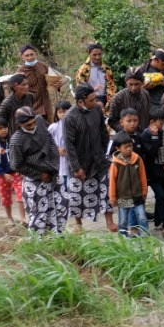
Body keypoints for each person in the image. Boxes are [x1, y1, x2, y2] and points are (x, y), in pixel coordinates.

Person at [64, 84, 113, 234]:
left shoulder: (97, 110)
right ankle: (78, 224)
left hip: (99, 158)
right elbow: (69, 145)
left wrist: (108, 152)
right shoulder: (70, 117)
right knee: (77, 195)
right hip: (80, 162)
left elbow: (103, 132)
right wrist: (76, 167)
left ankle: (110, 222)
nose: (94, 102)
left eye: (95, 98)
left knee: (105, 191)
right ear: (80, 102)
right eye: (91, 100)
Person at [9, 107, 63, 233]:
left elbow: (50, 141)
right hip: (34, 180)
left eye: (34, 122)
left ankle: (57, 236)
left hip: (53, 172)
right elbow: (16, 165)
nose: (33, 126)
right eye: (28, 125)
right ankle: (38, 243)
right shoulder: (16, 140)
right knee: (39, 212)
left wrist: (53, 163)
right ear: (19, 124)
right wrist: (39, 174)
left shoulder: (40, 122)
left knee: (60, 205)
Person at [108, 132, 149, 238]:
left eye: (130, 146)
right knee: (123, 220)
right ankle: (123, 238)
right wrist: (112, 197)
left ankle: (145, 237)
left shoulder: (137, 160)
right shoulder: (115, 164)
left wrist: (144, 191)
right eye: (126, 147)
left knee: (142, 217)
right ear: (118, 148)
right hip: (123, 197)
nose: (129, 149)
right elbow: (112, 181)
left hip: (137, 195)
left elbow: (142, 177)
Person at [142, 107, 164, 238]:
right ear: (152, 122)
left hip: (163, 170)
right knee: (160, 196)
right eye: (160, 122)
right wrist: (154, 137)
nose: (162, 125)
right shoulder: (146, 135)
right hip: (152, 172)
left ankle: (158, 221)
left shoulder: (163, 132)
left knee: (162, 196)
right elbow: (151, 154)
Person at [17, 45, 54, 123]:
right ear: (22, 57)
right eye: (27, 55)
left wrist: (57, 84)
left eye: (31, 54)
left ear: (36, 54)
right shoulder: (21, 72)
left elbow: (52, 80)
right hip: (33, 107)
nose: (30, 57)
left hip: (46, 105)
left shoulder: (42, 66)